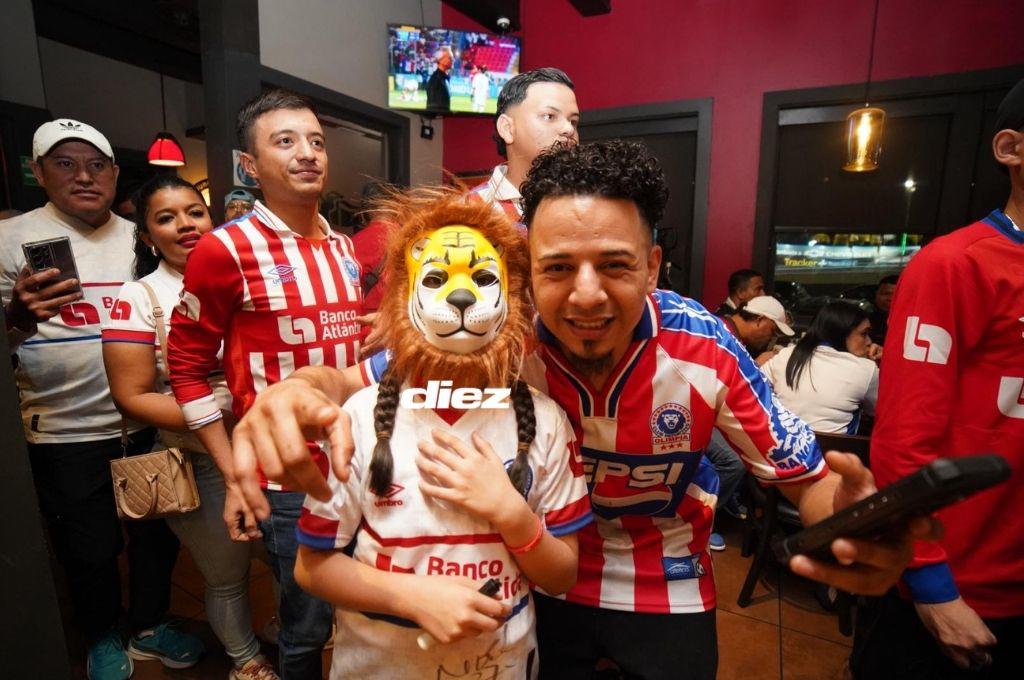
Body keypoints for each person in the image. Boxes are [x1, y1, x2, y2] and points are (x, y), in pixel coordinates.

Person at [228, 140, 934, 680]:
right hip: (538, 573)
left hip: (665, 571)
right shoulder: (495, 341)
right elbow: (345, 381)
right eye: (558, 267)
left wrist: (850, 522)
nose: (587, 296)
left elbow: (807, 484)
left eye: (617, 265)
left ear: (654, 268)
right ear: (529, 271)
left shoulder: (706, 351)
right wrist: (289, 394)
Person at [295, 188, 591, 678]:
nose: (460, 297)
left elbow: (562, 574)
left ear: (514, 298)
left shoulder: (544, 421)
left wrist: (510, 513)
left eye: (482, 279)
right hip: (379, 665)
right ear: (403, 298)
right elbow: (312, 566)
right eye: (435, 279)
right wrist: (411, 597)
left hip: (504, 662)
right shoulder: (362, 416)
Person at [167, 89, 364, 679]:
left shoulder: (343, 247)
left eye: (316, 142)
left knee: (356, 605)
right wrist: (235, 474)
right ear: (249, 167)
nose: (307, 154)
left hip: (356, 459)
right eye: (285, 142)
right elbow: (186, 368)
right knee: (304, 624)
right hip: (284, 475)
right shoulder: (222, 250)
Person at [0, 119, 202, 680]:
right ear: (38, 173)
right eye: (64, 163)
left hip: (145, 422)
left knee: (156, 538)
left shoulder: (142, 236)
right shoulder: (8, 240)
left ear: (115, 174)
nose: (83, 176)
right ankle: (102, 633)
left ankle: (150, 624)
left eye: (96, 165)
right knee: (87, 550)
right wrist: (15, 317)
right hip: (62, 429)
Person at [851, 78, 1024, 679]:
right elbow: (902, 440)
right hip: (966, 581)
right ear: (1011, 148)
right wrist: (929, 580)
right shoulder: (958, 263)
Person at [101, 175, 278, 680]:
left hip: (273, 451)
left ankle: (282, 629)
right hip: (202, 459)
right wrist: (220, 409)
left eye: (194, 212)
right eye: (165, 217)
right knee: (228, 576)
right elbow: (130, 397)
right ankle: (246, 662)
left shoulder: (245, 276)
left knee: (290, 559)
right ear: (146, 236)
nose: (185, 225)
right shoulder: (141, 297)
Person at [469, 67, 580, 227]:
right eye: (549, 116)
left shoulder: (591, 204)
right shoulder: (469, 212)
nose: (569, 129)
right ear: (507, 128)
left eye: (573, 121)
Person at [761, 301, 879, 434]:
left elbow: (753, 390)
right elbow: (880, 412)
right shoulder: (866, 369)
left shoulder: (785, 355)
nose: (869, 341)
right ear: (841, 331)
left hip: (779, 447)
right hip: (833, 451)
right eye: (864, 334)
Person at [720, 294, 795, 365]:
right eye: (772, 332)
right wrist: (755, 365)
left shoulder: (735, 338)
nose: (771, 339)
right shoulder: (721, 334)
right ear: (760, 320)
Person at [868, 274, 898, 345]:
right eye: (886, 294)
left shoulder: (909, 324)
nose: (890, 299)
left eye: (896, 295)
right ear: (876, 295)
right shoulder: (864, 321)